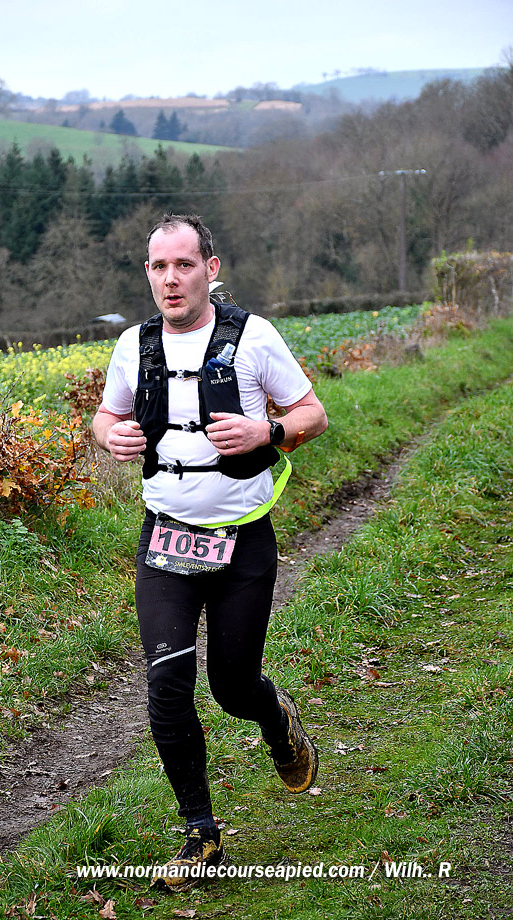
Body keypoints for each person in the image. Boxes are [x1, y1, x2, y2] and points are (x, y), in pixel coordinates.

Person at [92, 213, 328, 891]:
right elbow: (106, 416)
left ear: (210, 269)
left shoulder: (253, 337)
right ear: (148, 273)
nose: (171, 279)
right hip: (164, 539)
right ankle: (200, 834)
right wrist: (109, 436)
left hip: (241, 540)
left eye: (184, 265)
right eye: (159, 267)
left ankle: (276, 719)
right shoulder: (134, 345)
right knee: (166, 686)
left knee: (231, 687)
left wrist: (268, 431)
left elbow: (312, 413)